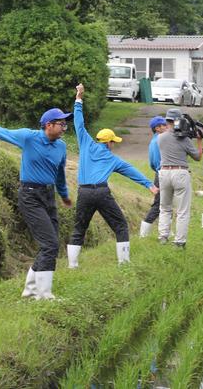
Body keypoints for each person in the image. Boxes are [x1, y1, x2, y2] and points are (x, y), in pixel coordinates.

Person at [0, 108, 72, 300]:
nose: (65, 127)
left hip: (49, 195)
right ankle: (44, 294)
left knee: (50, 243)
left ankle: (30, 290)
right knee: (50, 244)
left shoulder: (61, 147)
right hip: (30, 195)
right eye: (61, 124)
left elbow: (60, 174)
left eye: (66, 124)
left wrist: (64, 195)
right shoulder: (28, 137)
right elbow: (0, 132)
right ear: (49, 125)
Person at [67, 84, 158, 268]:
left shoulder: (86, 143)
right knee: (121, 226)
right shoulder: (112, 159)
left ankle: (72, 266)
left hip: (83, 192)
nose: (113, 145)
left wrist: (79, 98)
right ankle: (124, 264)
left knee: (79, 228)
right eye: (113, 142)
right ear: (108, 142)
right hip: (101, 192)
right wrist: (149, 184)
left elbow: (79, 122)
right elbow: (131, 171)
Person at [157, 108, 203, 248]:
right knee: (182, 210)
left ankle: (163, 237)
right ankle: (179, 241)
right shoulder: (185, 139)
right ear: (179, 120)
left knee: (165, 207)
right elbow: (198, 157)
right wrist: (199, 141)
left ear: (166, 121)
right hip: (180, 172)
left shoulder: (160, 137)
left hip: (164, 172)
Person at [139, 115, 168, 238]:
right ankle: (143, 234)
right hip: (164, 172)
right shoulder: (162, 140)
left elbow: (151, 163)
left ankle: (166, 230)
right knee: (160, 204)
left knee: (164, 203)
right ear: (157, 128)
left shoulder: (152, 141)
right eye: (164, 125)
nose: (167, 127)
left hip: (158, 173)